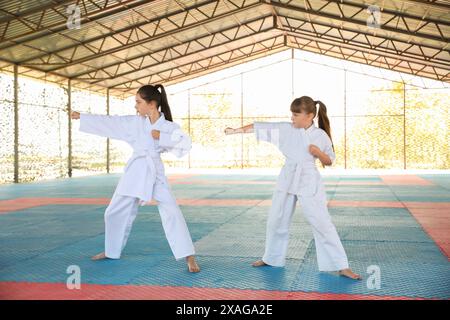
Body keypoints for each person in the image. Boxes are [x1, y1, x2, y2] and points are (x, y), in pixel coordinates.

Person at [224, 96, 361, 280]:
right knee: (276, 219)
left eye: (296, 115)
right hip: (288, 176)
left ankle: (341, 265)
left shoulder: (320, 135)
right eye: (292, 114)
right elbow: (259, 127)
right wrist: (235, 131)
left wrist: (318, 152)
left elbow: (329, 160)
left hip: (308, 178)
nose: (292, 118)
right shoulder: (286, 129)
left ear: (310, 115)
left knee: (321, 222)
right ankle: (271, 258)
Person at [71, 84, 200, 273]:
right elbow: (111, 123)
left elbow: (185, 143)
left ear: (152, 104)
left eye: (138, 102)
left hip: (155, 172)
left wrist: (161, 136)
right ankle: (111, 250)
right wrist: (83, 117)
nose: (136, 106)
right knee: (113, 211)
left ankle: (189, 256)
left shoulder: (169, 126)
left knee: (172, 212)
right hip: (135, 170)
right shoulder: (135, 122)